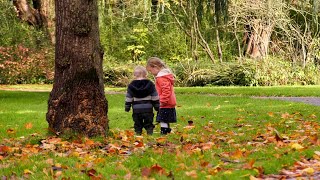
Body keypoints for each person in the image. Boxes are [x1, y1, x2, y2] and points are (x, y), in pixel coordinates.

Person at [125, 66, 159, 135]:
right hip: (148, 109)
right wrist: (157, 106)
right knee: (149, 123)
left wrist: (127, 107)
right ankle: (150, 133)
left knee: (137, 123)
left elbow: (129, 97)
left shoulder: (131, 85)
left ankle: (138, 133)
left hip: (136, 109)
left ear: (134, 74)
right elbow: (155, 96)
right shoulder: (150, 84)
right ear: (146, 74)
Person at [146, 57, 177, 135]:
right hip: (168, 102)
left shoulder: (161, 78)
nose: (151, 73)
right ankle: (167, 131)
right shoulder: (164, 76)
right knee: (165, 119)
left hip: (165, 103)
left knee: (162, 119)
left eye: (150, 71)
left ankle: (164, 132)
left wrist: (162, 101)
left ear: (155, 67)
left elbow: (166, 91)